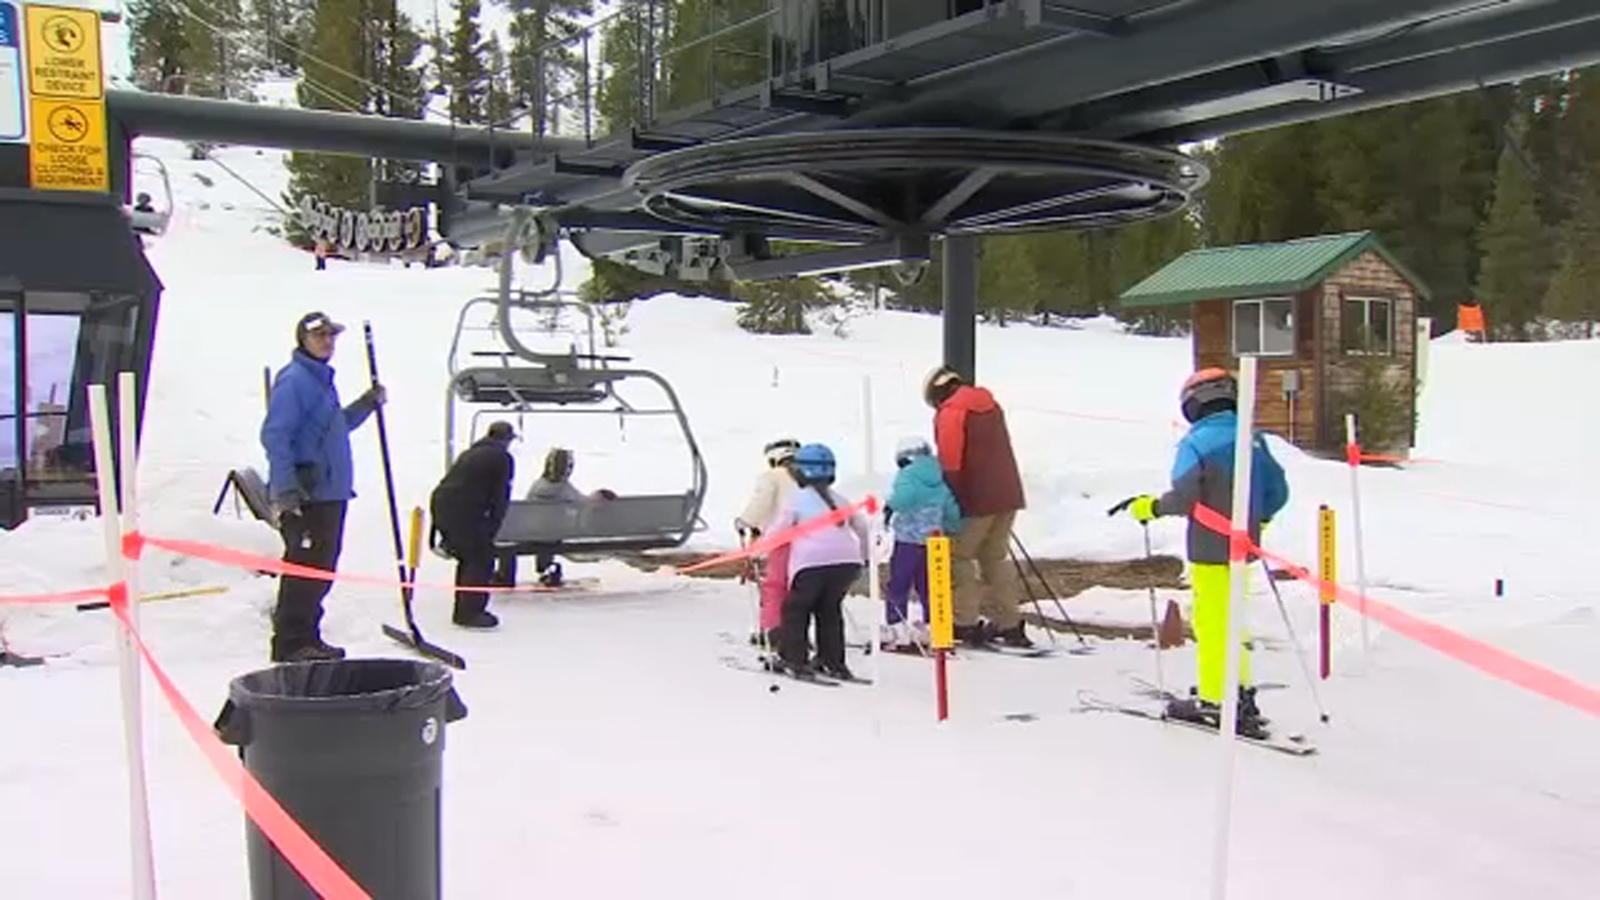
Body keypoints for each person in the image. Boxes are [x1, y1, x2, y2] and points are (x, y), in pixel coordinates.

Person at [1115, 367, 1289, 738]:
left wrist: (1147, 508)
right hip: (1244, 547)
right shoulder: (1252, 439)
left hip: (1209, 548)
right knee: (1234, 621)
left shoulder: (1196, 443)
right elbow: (1278, 491)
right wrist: (1261, 519)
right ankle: (1239, 692)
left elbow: (1182, 498)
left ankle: (1215, 700)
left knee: (1212, 624)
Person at [260, 311, 385, 662]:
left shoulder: (320, 381)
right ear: (303, 340)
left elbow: (333, 428)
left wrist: (366, 405)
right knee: (305, 569)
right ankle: (291, 642)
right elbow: (275, 434)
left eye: (331, 336)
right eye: (319, 336)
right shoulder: (296, 380)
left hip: (330, 493)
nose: (327, 342)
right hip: (307, 495)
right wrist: (286, 490)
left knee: (321, 570)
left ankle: (308, 638)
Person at [922, 365, 1031, 649]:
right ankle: (1009, 623)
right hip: (1007, 493)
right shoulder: (991, 405)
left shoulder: (952, 412)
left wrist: (951, 500)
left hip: (976, 498)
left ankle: (964, 622)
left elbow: (951, 462)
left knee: (959, 556)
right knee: (994, 557)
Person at [765, 443, 869, 681]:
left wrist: (758, 550)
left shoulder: (797, 500)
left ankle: (793, 659)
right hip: (846, 564)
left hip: (811, 564)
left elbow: (779, 530)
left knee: (796, 610)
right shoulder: (841, 499)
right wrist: (864, 557)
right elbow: (862, 527)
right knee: (829, 610)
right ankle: (832, 661)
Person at [430, 421, 518, 629]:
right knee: (480, 558)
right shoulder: (501, 458)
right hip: (465, 511)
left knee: (468, 558)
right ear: (506, 439)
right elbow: (499, 495)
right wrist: (493, 526)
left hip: (444, 506)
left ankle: (464, 609)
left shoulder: (471, 452)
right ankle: (470, 612)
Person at [880, 436, 962, 652]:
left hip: (908, 539)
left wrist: (890, 506)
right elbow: (951, 508)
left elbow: (904, 498)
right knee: (931, 586)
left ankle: (897, 628)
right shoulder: (939, 476)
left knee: (899, 584)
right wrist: (952, 526)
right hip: (934, 541)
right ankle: (935, 628)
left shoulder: (907, 475)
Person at [734, 438, 801, 649]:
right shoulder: (807, 477)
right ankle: (798, 633)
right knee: (798, 588)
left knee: (774, 588)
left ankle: (772, 632)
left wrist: (744, 521)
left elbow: (761, 502)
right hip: (809, 540)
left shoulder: (771, 477)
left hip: (780, 539)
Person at [521, 447, 617, 587]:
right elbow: (583, 503)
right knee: (550, 532)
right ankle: (547, 568)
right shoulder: (562, 487)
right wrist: (598, 496)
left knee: (546, 529)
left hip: (531, 532)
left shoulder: (538, 485)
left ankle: (544, 568)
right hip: (553, 533)